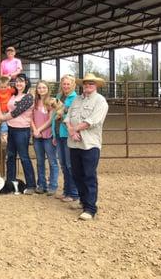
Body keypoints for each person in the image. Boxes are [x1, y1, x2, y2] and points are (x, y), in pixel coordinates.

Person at [64, 73, 109, 221]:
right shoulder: (77, 99)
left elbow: (93, 121)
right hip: (75, 142)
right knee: (77, 173)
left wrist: (75, 129)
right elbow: (68, 117)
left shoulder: (100, 101)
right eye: (86, 83)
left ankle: (90, 208)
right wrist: (71, 130)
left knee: (89, 175)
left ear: (96, 86)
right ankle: (83, 201)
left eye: (91, 83)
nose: (88, 85)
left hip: (90, 143)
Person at [0, 74, 36, 194]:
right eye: (17, 81)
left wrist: (2, 118)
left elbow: (16, 112)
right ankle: (10, 182)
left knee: (24, 157)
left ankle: (31, 185)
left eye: (21, 81)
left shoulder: (28, 97)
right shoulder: (13, 95)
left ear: (26, 83)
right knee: (11, 156)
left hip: (22, 130)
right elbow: (8, 108)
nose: (19, 83)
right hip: (12, 128)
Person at [51, 74, 79, 203]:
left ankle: (74, 193)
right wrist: (53, 133)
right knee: (63, 164)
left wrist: (62, 111)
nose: (66, 86)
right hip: (58, 132)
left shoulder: (75, 98)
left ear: (73, 85)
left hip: (68, 134)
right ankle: (66, 191)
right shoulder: (58, 96)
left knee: (69, 164)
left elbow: (72, 114)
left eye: (68, 84)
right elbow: (54, 114)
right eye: (64, 83)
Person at [31, 80, 58, 195]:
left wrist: (39, 129)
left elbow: (50, 120)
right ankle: (41, 184)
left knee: (52, 161)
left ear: (47, 89)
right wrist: (34, 130)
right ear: (36, 89)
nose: (41, 90)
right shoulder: (34, 102)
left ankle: (53, 185)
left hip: (47, 135)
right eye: (39, 88)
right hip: (37, 136)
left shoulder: (51, 102)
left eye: (43, 87)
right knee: (40, 161)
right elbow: (30, 117)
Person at [0, 76, 15, 146]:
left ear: (8, 86)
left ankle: (4, 139)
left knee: (6, 126)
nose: (3, 89)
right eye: (1, 87)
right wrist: (0, 114)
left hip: (8, 112)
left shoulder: (9, 90)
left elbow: (15, 90)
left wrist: (9, 86)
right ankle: (3, 139)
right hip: (1, 112)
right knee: (3, 125)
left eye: (5, 87)